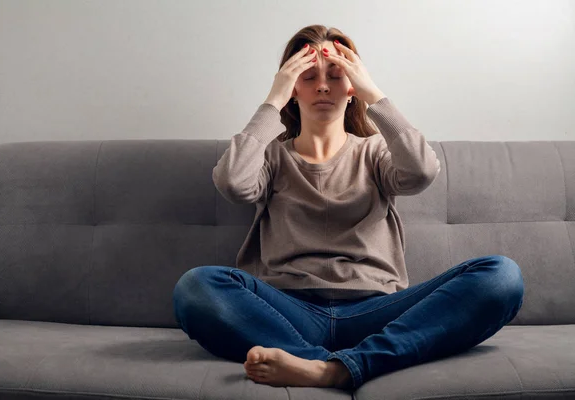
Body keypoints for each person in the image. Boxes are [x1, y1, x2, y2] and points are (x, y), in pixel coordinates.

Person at [172, 25, 524, 391]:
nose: (323, 86)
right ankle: (341, 364)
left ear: (352, 87)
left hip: (375, 311)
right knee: (195, 286)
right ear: (293, 89)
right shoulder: (272, 157)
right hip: (288, 311)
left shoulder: (374, 152)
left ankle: (329, 369)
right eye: (308, 77)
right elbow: (232, 182)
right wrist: (273, 99)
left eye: (336, 76)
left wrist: (372, 92)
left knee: (501, 276)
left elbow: (421, 171)